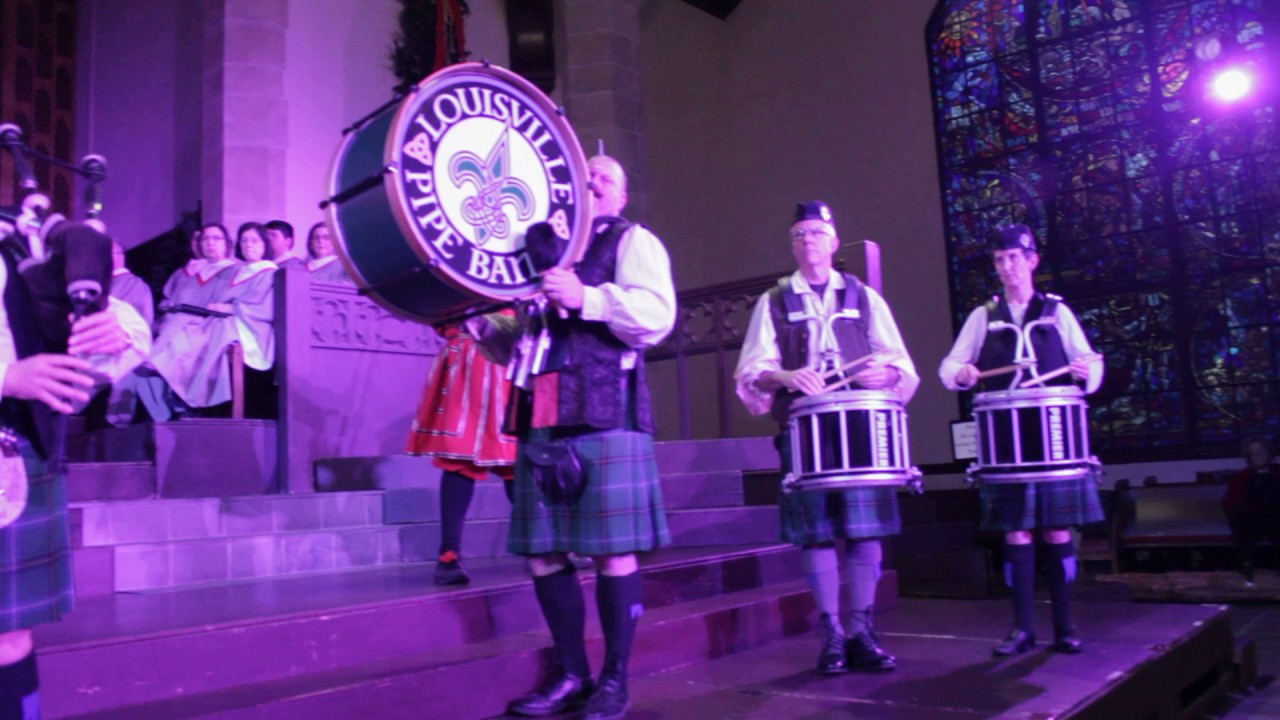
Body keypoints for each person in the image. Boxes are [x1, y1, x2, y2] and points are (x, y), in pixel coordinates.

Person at [468, 155, 675, 720]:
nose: (592, 184)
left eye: (604, 177)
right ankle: (570, 675)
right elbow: (526, 341)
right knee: (542, 553)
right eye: (583, 178)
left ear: (621, 195)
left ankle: (614, 681)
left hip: (608, 415)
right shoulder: (543, 256)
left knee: (612, 554)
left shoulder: (635, 242)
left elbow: (658, 317)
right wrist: (488, 328)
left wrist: (589, 296)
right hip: (543, 416)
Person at [735, 200, 919, 675]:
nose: (808, 241)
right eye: (799, 234)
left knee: (865, 532)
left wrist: (885, 374)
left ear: (834, 242)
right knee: (816, 536)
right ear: (792, 245)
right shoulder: (774, 302)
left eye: (816, 233)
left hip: (860, 428)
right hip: (806, 429)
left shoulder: (863, 297)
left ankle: (862, 631)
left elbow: (898, 362)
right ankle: (832, 635)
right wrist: (786, 376)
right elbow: (752, 371)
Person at [0, 219, 151, 719]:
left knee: (7, 631)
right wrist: (5, 376)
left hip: (11, 451)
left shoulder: (18, 233)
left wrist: (112, 326)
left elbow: (125, 323)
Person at [939, 223, 1104, 656]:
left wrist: (1089, 372)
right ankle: (1022, 628)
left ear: (1032, 260)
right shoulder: (983, 316)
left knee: (1054, 530)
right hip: (1005, 445)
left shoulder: (1057, 312)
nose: (1006, 266)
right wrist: (963, 372)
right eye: (999, 259)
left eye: (1014, 257)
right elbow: (950, 367)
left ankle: (1065, 626)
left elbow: (1088, 361)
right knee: (1016, 533)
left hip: (1053, 439)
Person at [406, 320, 517, 585]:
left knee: (516, 462)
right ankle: (448, 553)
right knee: (460, 458)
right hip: (471, 359)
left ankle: (545, 547)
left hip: (509, 358)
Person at [133, 223, 243, 420]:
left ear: (227, 244)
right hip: (186, 325)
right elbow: (173, 303)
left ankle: (184, 403)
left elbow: (238, 305)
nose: (210, 243)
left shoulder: (237, 271)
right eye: (206, 239)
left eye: (216, 238)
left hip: (214, 325)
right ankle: (169, 413)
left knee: (178, 341)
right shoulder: (193, 274)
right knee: (173, 334)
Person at [1222, 435, 1280, 586]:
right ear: (1249, 457)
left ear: (1269, 452)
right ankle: (1247, 567)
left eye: (1261, 450)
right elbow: (1231, 504)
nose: (1259, 455)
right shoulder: (1241, 478)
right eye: (1254, 452)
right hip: (1253, 523)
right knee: (1240, 521)